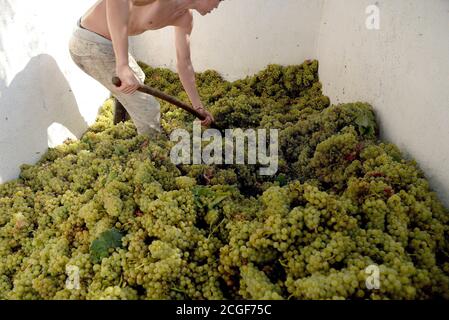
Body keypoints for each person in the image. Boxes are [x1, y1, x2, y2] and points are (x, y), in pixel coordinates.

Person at [69, 0, 220, 137]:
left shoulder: (185, 18)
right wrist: (122, 65)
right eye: (219, 0)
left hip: (106, 45)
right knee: (149, 108)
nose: (217, 6)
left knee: (136, 80)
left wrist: (198, 107)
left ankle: (120, 125)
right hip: (90, 43)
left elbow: (184, 63)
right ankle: (152, 155)